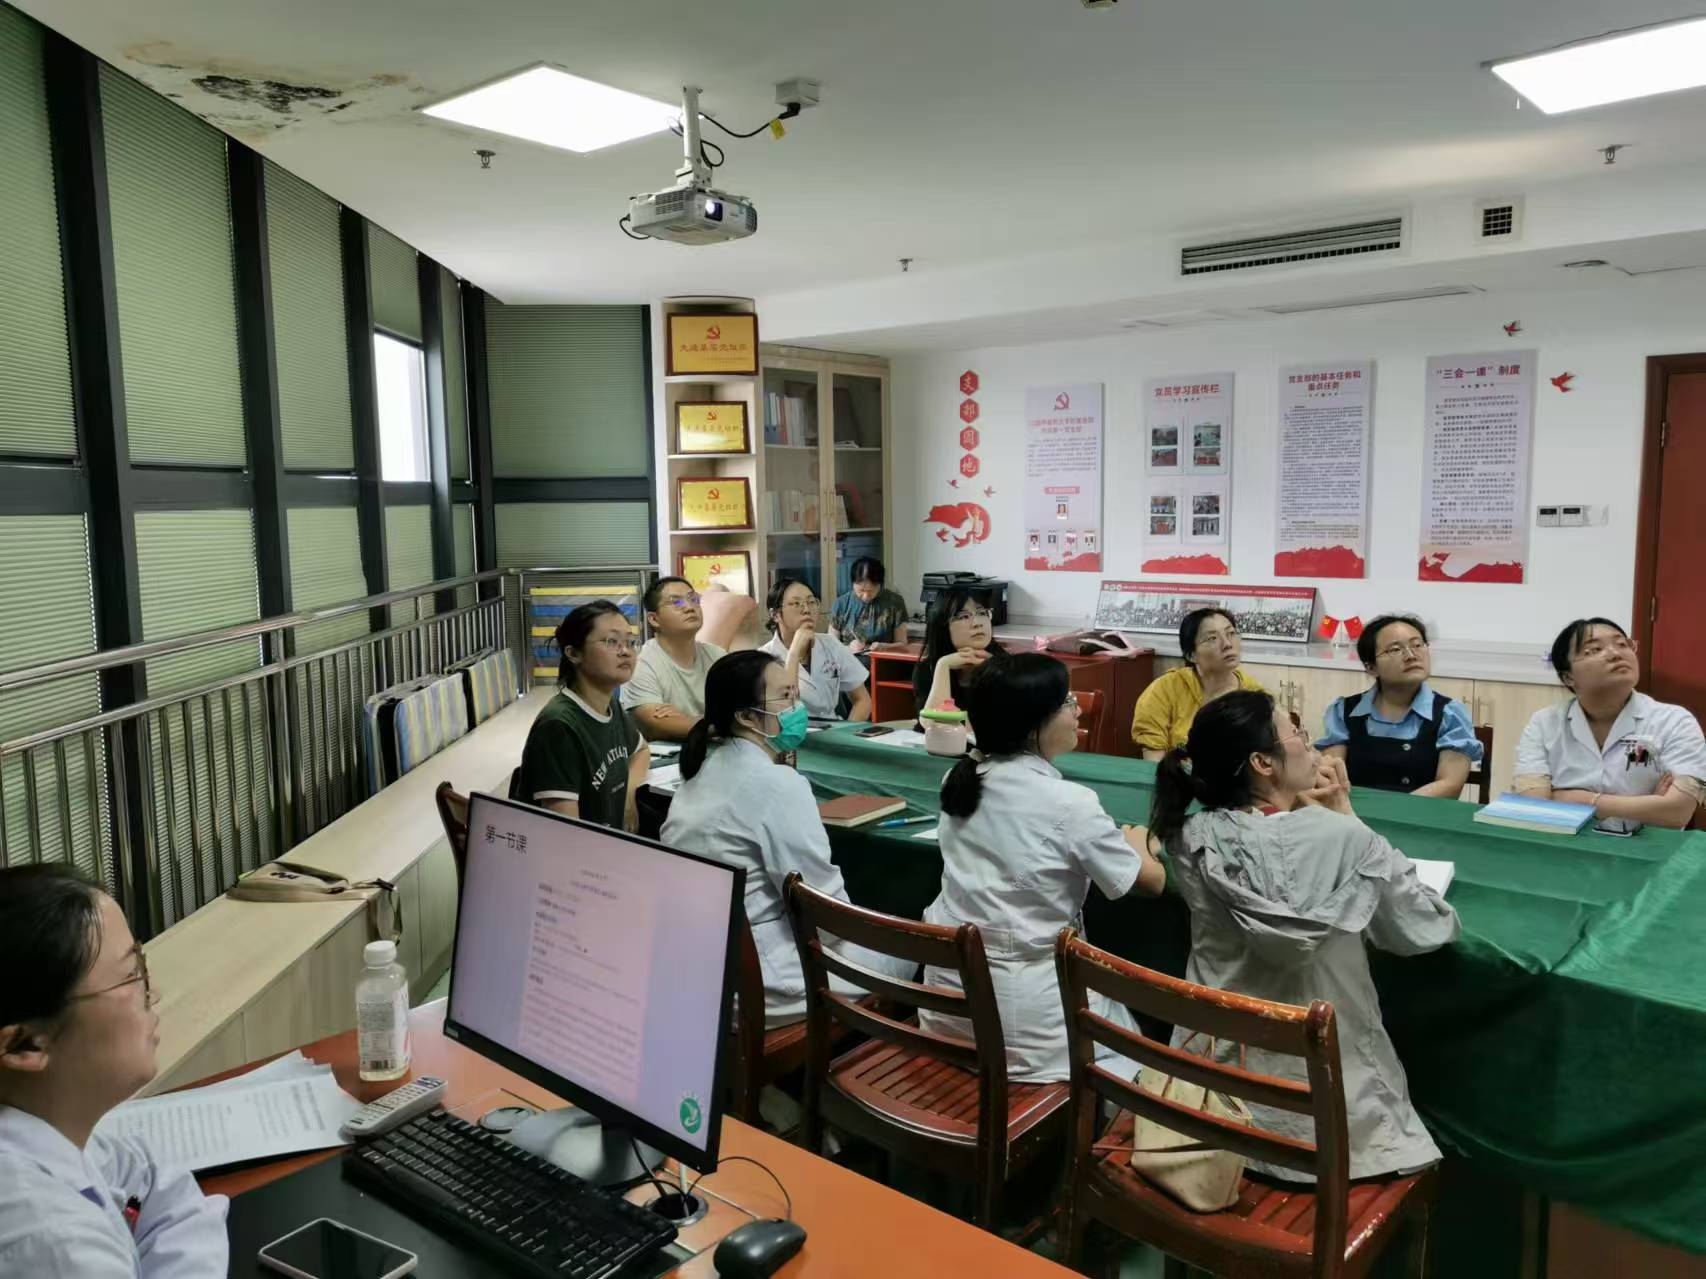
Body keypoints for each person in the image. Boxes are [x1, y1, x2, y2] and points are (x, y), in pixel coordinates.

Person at [1149, 690, 1460, 1181]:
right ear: (1263, 763)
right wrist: (1347, 817)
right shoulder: (1345, 838)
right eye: (1297, 733)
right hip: (1332, 1124)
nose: (1311, 745)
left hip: (1215, 1105)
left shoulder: (1188, 838)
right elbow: (1423, 928)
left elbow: (1267, 851)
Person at [919, 653, 1167, 1082]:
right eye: (1067, 702)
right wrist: (1140, 843)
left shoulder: (961, 780)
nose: (1078, 710)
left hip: (949, 1007)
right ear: (1034, 725)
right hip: (1020, 1026)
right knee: (1144, 1061)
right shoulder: (1070, 803)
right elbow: (1150, 882)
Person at [661, 651, 914, 1026]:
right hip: (758, 980)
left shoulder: (702, 769)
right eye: (785, 697)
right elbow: (823, 909)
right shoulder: (774, 783)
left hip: (698, 966)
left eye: (795, 694)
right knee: (908, 952)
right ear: (746, 717)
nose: (797, 708)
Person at [0, 865, 228, 1276]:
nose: (154, 993)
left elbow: (159, 1187)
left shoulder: (50, 1129)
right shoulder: (51, 1242)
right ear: (25, 1045)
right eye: (131, 975)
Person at [1513, 617, 1706, 830]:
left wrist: (1578, 799)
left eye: (1622, 644)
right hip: (1566, 844)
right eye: (1594, 649)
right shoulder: (1544, 723)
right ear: (1568, 677)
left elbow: (1677, 813)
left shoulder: (1675, 721)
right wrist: (1646, 807)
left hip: (1648, 847)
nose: (1616, 654)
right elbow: (1535, 807)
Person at [516, 600, 650, 830]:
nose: (626, 651)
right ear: (573, 653)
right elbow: (566, 833)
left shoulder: (611, 706)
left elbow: (641, 751)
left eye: (630, 641)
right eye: (612, 641)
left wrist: (628, 792)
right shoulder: (559, 725)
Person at [1317, 614, 1484, 797]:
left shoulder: (1449, 714)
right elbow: (1332, 780)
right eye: (1395, 649)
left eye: (1417, 645)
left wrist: (1393, 809)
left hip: (1421, 812)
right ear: (1371, 667)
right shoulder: (1343, 712)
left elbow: (1450, 785)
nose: (1411, 656)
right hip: (1353, 811)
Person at [1130, 607, 1264, 760]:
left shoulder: (1255, 695)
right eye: (1212, 638)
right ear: (1191, 655)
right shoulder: (1165, 690)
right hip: (1175, 775)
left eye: (1231, 633)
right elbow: (1154, 763)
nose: (1227, 644)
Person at [624, 577, 726, 743]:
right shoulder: (640, 663)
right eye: (676, 602)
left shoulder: (717, 656)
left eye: (693, 599)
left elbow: (742, 708)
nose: (689, 607)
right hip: (664, 757)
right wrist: (723, 726)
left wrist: (685, 719)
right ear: (654, 619)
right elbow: (658, 723)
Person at [759, 578, 871, 722]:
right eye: (796, 603)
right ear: (775, 614)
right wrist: (794, 654)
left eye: (811, 602)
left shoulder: (830, 644)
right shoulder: (764, 658)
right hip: (795, 731)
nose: (806, 610)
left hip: (834, 729)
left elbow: (863, 700)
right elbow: (785, 712)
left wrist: (846, 733)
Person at [913, 585, 1009, 715]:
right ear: (942, 626)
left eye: (982, 613)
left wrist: (996, 672)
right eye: (964, 616)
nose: (978, 623)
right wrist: (943, 666)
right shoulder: (928, 669)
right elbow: (932, 723)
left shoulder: (1008, 668)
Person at [828, 557, 910, 657]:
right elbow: (831, 644)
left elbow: (902, 643)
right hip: (848, 660)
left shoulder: (895, 602)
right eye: (861, 590)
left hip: (883, 661)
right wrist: (848, 647)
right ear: (853, 583)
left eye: (871, 590)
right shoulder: (841, 603)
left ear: (880, 584)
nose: (866, 596)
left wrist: (884, 647)